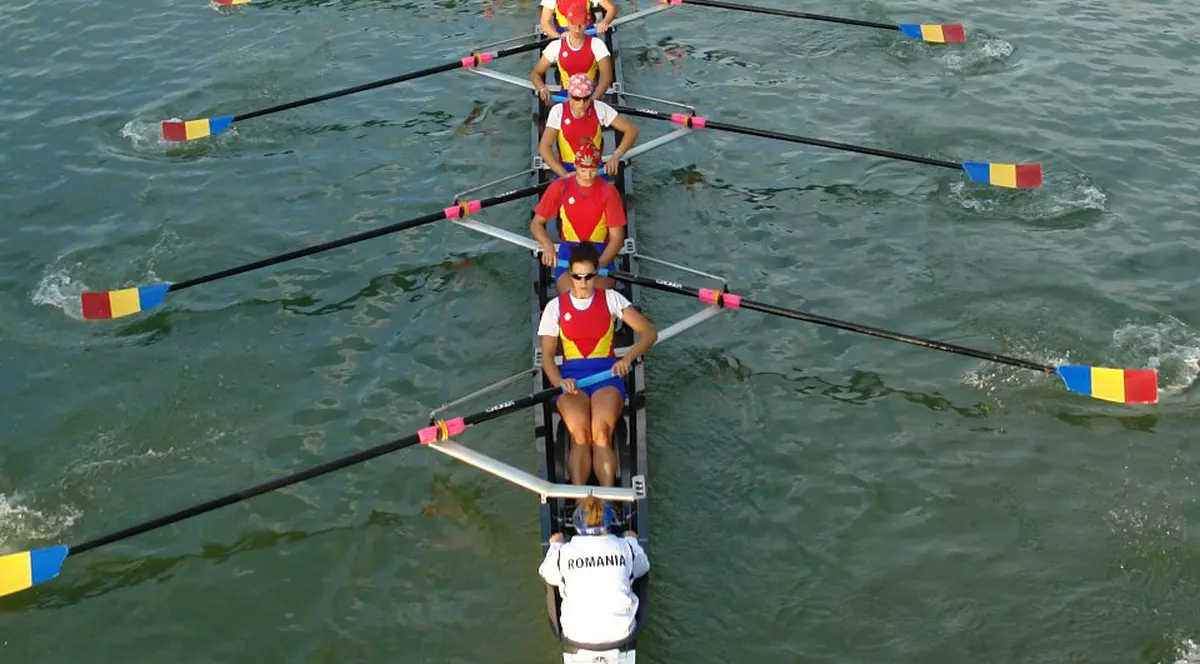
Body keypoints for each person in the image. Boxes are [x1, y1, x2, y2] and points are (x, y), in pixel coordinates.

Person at [537, 244, 657, 487]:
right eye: (577, 277)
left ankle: (608, 498)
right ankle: (582, 501)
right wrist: (559, 382)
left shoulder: (611, 299)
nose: (583, 283)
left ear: (597, 274)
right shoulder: (554, 307)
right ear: (569, 275)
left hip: (607, 377)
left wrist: (627, 359)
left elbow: (649, 333)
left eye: (589, 276)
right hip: (571, 382)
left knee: (601, 435)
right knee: (581, 437)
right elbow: (548, 357)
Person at [538, 496, 649, 645]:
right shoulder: (625, 547)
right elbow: (643, 566)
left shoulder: (564, 553)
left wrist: (555, 545)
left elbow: (546, 572)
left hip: (575, 636)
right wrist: (632, 540)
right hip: (622, 633)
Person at [530, 140, 627, 294]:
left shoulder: (609, 192)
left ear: (599, 167)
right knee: (573, 294)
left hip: (599, 254)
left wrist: (599, 265)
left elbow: (617, 238)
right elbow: (536, 224)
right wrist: (547, 245)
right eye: (583, 171)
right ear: (575, 166)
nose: (588, 176)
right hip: (569, 253)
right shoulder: (560, 186)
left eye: (593, 171)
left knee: (594, 296)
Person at [540, 73, 639, 178]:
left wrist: (616, 155)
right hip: (568, 170)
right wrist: (564, 174)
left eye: (586, 98)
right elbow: (544, 147)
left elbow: (632, 130)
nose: (582, 103)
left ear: (591, 95)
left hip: (594, 170)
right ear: (569, 95)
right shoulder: (558, 111)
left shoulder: (600, 108)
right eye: (577, 98)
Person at [531, 0, 614, 103]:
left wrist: (605, 22)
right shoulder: (556, 46)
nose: (577, 29)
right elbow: (545, 24)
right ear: (568, 22)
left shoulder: (596, 45)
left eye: (580, 25)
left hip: (589, 96)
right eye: (574, 25)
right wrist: (542, 88)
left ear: (587, 20)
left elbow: (607, 78)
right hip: (567, 95)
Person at [540, 0, 617, 38]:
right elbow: (544, 24)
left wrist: (605, 22)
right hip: (564, 34)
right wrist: (559, 37)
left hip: (587, 32)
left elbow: (612, 9)